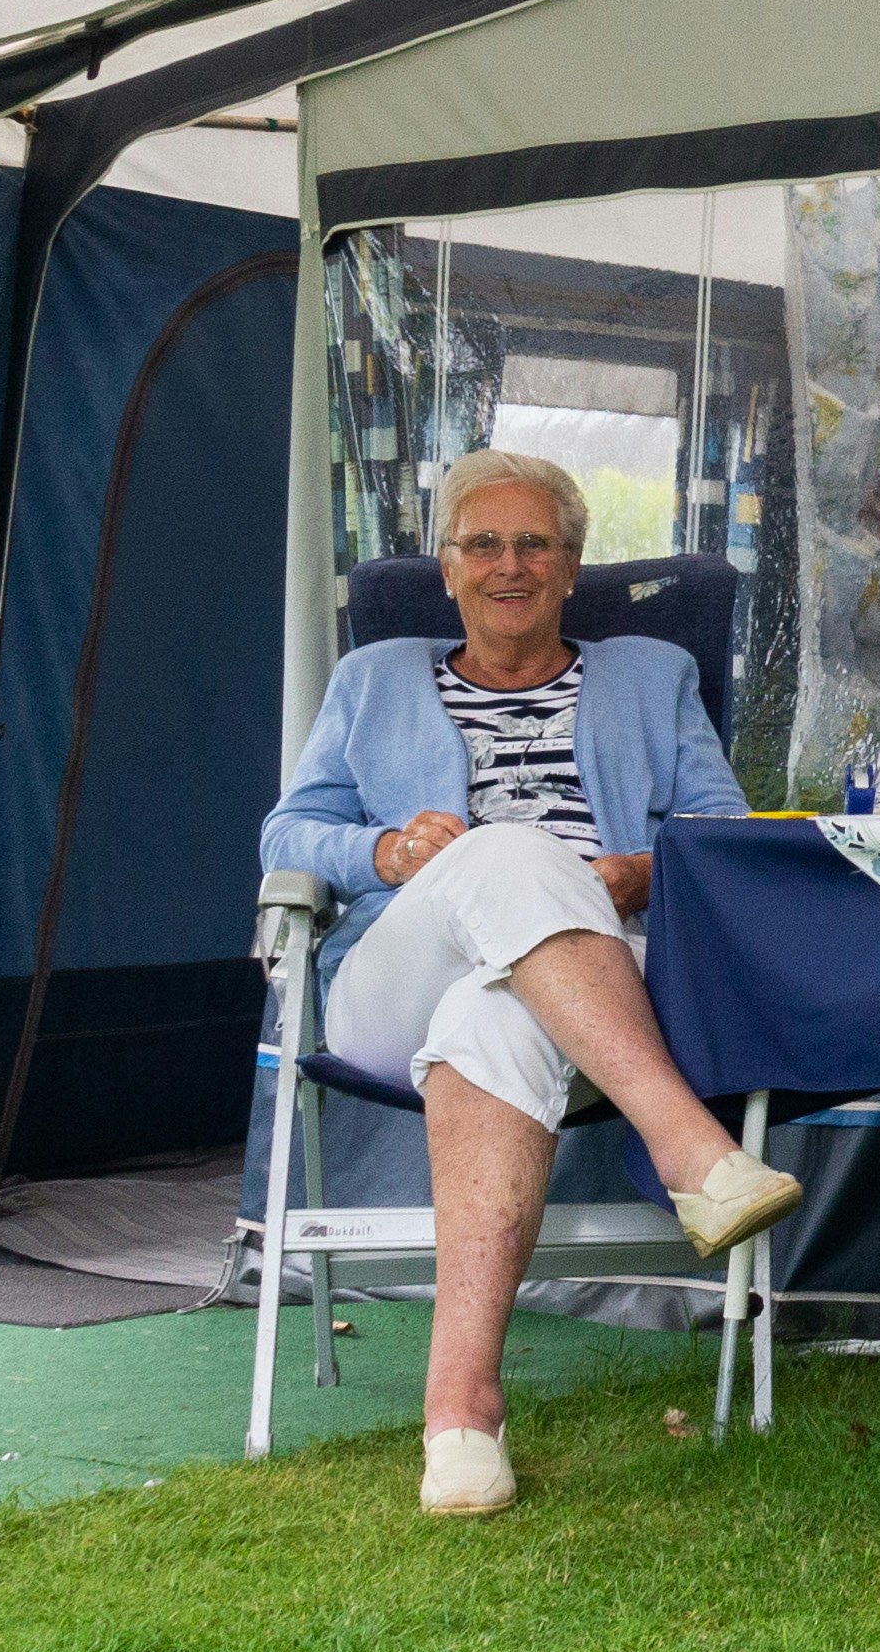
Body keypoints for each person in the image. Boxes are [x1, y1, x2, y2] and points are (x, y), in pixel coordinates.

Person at [261, 446, 799, 1517]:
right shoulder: (373, 681)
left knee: (489, 1019)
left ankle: (461, 1417)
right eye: (484, 545)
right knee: (503, 853)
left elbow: (723, 834)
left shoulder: (652, 676)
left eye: (535, 545)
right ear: (448, 570)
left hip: (592, 979)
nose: (510, 565)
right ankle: (691, 1147)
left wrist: (641, 871)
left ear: (570, 567)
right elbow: (289, 830)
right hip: (394, 970)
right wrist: (389, 855)